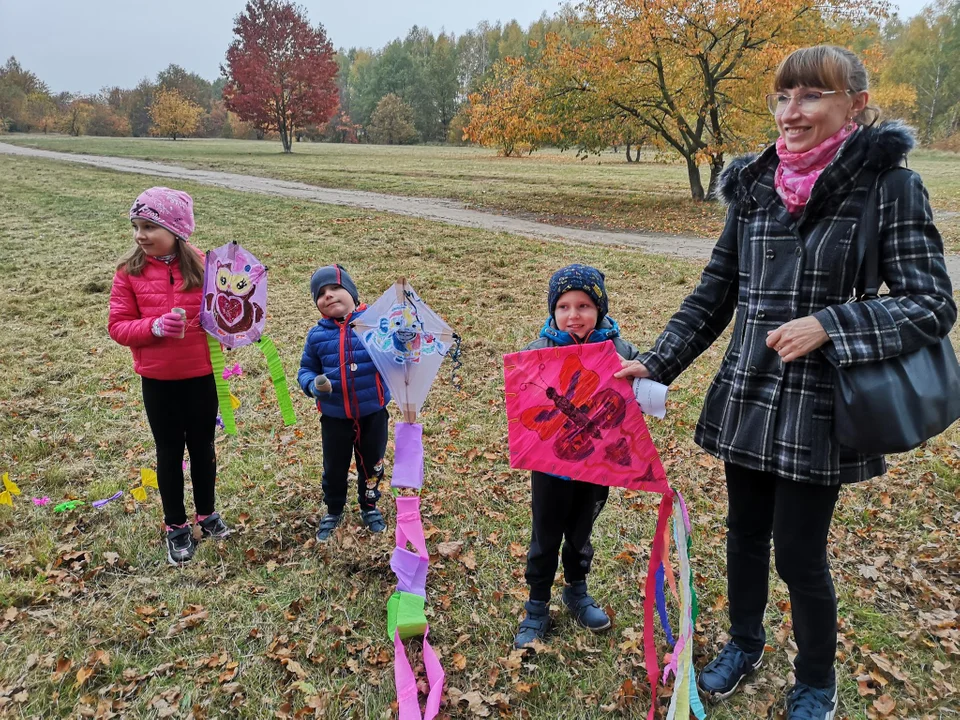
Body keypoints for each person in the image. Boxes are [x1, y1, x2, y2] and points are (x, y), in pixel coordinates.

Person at [616, 46, 956, 720]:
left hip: (821, 405)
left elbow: (932, 303)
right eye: (782, 97)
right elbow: (716, 292)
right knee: (743, 534)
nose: (791, 111)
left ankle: (816, 683)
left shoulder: (889, 185)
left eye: (810, 96)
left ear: (854, 103)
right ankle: (744, 644)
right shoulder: (754, 185)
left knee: (799, 553)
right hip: (749, 390)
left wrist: (832, 324)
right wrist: (656, 361)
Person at [514, 264, 643, 649]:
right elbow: (525, 403)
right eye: (564, 306)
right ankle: (537, 604)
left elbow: (639, 394)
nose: (574, 315)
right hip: (551, 467)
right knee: (545, 535)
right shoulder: (538, 353)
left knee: (581, 533)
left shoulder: (619, 351)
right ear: (553, 311)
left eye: (585, 305)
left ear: (599, 309)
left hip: (597, 463)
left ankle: (576, 589)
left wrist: (639, 381)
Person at [108, 187, 231, 566]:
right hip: (158, 380)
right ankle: (175, 526)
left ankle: (206, 515)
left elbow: (225, 312)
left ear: (176, 230)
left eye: (149, 226)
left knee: (203, 447)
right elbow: (118, 326)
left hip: (201, 375)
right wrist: (155, 327)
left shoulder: (206, 265)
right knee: (169, 451)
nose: (140, 235)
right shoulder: (129, 272)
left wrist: (230, 329)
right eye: (136, 226)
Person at [298, 264, 391, 542]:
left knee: (372, 464)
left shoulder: (374, 326)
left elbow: (397, 354)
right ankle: (333, 509)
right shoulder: (317, 337)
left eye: (335, 288)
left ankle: (370, 506)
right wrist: (313, 385)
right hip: (334, 417)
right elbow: (305, 371)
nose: (329, 295)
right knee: (334, 466)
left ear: (352, 292)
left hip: (373, 414)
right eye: (321, 293)